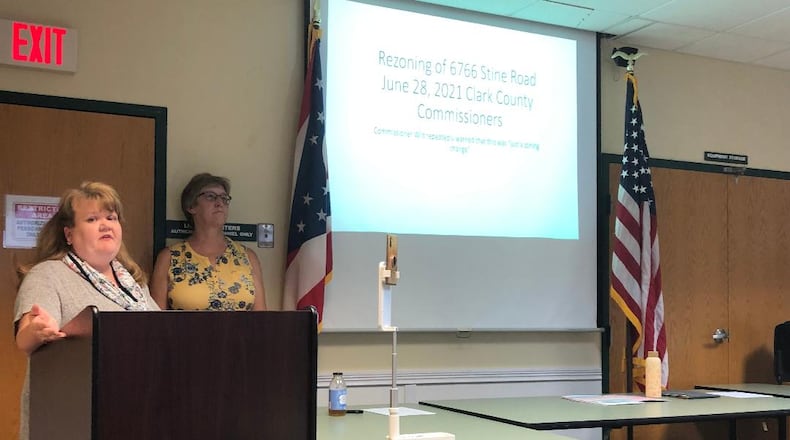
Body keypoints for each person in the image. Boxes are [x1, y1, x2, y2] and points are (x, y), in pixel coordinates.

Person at [13, 181, 159, 440]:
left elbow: (163, 331)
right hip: (71, 416)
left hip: (134, 409)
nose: (105, 225)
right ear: (69, 234)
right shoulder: (48, 274)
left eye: (111, 218)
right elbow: (25, 339)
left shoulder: (133, 281)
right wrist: (37, 331)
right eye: (92, 219)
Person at [150, 173, 267, 311]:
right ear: (191, 206)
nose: (219, 203)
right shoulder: (169, 258)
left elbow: (262, 318)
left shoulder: (247, 258)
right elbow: (155, 319)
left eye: (224, 198)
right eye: (210, 196)